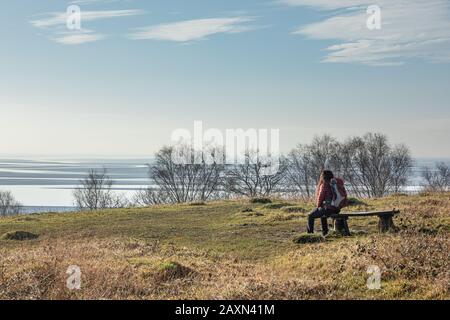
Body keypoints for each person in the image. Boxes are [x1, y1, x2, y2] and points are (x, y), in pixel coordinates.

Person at [307, 170, 346, 235]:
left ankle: (310, 234)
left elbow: (320, 197)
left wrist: (318, 206)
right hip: (337, 209)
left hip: (328, 209)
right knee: (323, 215)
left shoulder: (324, 184)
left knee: (310, 216)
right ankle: (325, 232)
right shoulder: (337, 183)